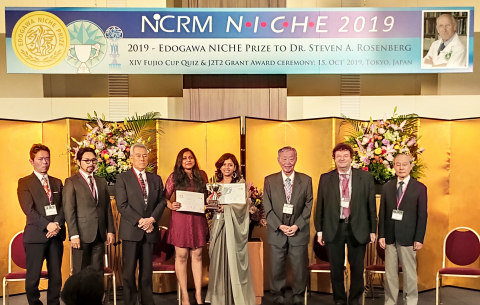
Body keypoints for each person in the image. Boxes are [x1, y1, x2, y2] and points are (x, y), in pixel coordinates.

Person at [315, 143, 377, 305]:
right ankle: (340, 300)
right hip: (334, 228)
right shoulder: (325, 178)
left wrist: (373, 230)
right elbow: (319, 205)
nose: (342, 159)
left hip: (358, 227)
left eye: (345, 156)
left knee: (357, 268)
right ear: (334, 159)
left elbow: (371, 205)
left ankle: (355, 300)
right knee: (336, 269)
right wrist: (319, 231)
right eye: (338, 156)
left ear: (351, 158)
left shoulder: (365, 177)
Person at [115, 143, 167, 305]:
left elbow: (162, 201)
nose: (142, 158)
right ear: (131, 158)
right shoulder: (122, 178)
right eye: (138, 155)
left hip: (150, 230)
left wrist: (151, 220)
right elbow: (122, 205)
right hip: (131, 231)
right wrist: (141, 221)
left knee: (146, 274)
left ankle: (147, 302)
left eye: (144, 155)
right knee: (129, 272)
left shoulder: (156, 179)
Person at [263, 146, 313, 305]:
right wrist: (279, 226)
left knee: (299, 268)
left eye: (291, 158)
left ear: (296, 159)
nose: (288, 162)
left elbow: (308, 205)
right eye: (284, 159)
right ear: (278, 160)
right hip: (277, 232)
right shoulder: (269, 180)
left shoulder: (306, 180)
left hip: (298, 232)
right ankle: (278, 298)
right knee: (276, 269)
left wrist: (297, 225)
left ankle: (298, 298)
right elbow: (267, 207)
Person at [17, 144, 65, 305]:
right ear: (31, 161)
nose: (45, 162)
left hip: (56, 235)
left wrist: (56, 224)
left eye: (47, 158)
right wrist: (47, 225)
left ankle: (53, 302)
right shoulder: (24, 182)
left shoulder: (57, 182)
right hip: (36, 236)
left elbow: (63, 207)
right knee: (33, 277)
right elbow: (29, 210)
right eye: (40, 159)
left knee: (56, 276)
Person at [205, 153, 255, 305]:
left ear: (235, 168)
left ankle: (235, 298)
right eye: (224, 164)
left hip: (233, 227)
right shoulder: (214, 184)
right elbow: (210, 207)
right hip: (218, 226)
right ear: (219, 167)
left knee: (233, 260)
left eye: (230, 165)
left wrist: (226, 207)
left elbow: (243, 206)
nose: (226, 167)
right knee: (217, 260)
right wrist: (210, 202)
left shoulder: (240, 185)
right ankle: (219, 297)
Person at [378, 153, 428, 305]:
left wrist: (419, 238)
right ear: (393, 166)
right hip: (390, 236)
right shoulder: (387, 187)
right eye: (398, 164)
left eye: (404, 164)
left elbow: (422, 215)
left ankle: (411, 301)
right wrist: (381, 235)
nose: (401, 167)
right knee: (390, 274)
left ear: (411, 166)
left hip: (409, 237)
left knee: (409, 273)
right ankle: (390, 301)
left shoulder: (420, 188)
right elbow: (383, 213)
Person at [164, 148, 208, 305]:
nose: (188, 160)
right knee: (181, 257)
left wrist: (209, 203)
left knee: (197, 256)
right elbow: (164, 198)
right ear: (180, 161)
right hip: (180, 220)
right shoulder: (174, 176)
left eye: (191, 157)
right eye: (184, 158)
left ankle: (198, 295)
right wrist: (171, 205)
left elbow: (208, 196)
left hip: (197, 220)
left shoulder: (202, 175)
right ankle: (184, 296)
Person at [63, 147, 115, 274]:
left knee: (97, 272)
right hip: (81, 234)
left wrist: (111, 230)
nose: (91, 164)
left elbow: (107, 207)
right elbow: (69, 210)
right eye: (87, 160)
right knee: (80, 271)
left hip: (99, 233)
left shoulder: (101, 181)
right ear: (79, 162)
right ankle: (79, 295)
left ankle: (96, 294)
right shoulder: (71, 182)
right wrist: (73, 235)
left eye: (93, 160)